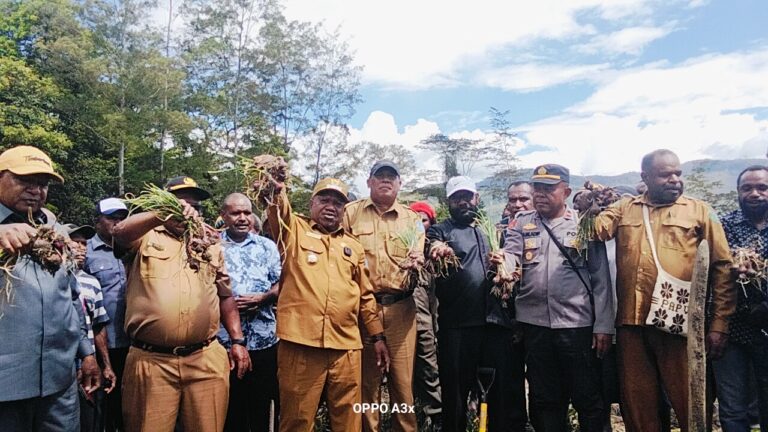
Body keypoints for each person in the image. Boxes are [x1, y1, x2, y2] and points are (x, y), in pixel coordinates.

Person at [592, 149, 735, 432]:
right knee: (637, 405)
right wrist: (593, 205)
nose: (674, 180)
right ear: (645, 177)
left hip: (680, 325)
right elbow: (596, 232)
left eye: (678, 174)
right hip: (632, 325)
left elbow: (722, 267)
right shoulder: (625, 208)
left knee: (691, 401)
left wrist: (719, 323)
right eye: (665, 174)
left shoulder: (700, 211)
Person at [112, 175, 251, 432]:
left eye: (195, 207)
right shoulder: (145, 237)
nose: (189, 211)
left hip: (205, 358)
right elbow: (119, 234)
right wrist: (159, 216)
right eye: (180, 203)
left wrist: (237, 340)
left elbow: (225, 295)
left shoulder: (209, 244)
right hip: (152, 361)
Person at [259, 172, 390, 432]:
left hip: (346, 347)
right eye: (324, 200)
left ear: (344, 209)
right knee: (297, 419)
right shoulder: (293, 231)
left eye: (338, 203)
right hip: (301, 345)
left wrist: (377, 337)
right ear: (312, 204)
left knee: (349, 420)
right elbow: (278, 210)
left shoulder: (353, 246)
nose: (331, 207)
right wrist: (274, 190)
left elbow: (365, 296)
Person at [504, 164, 613, 432]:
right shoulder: (522, 223)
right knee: (544, 399)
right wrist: (501, 264)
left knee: (587, 397)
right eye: (537, 188)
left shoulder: (583, 223)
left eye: (548, 188)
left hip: (576, 325)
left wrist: (603, 325)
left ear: (566, 191)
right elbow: (511, 255)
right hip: (535, 325)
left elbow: (600, 278)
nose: (540, 194)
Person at [0, 145, 100, 431]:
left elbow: (72, 297)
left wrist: (87, 353)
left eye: (43, 184)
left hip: (59, 383)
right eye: (25, 180)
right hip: (6, 387)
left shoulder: (55, 230)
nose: (36, 190)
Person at [428, 176, 527, 432]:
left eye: (467, 196)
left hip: (495, 324)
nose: (463, 202)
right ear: (448, 202)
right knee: (456, 393)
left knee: (499, 394)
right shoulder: (440, 231)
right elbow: (432, 248)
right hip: (458, 326)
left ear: (477, 199)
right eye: (456, 198)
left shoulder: (491, 231)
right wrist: (438, 248)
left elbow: (513, 269)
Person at [344, 161, 425, 432]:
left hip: (402, 310)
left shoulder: (411, 219)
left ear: (400, 184)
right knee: (368, 386)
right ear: (369, 182)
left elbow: (419, 257)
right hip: (363, 311)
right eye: (380, 176)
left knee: (403, 385)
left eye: (392, 177)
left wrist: (419, 260)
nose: (386, 181)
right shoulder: (351, 214)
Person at [217, 193, 282, 432]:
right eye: (235, 213)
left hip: (264, 340)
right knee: (230, 408)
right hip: (223, 342)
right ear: (223, 215)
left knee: (261, 406)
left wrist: (264, 298)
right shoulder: (212, 245)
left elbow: (281, 283)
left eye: (246, 212)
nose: (242, 218)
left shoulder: (267, 246)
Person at [714, 165, 768, 431]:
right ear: (738, 192)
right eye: (747, 188)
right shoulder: (723, 226)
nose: (755, 193)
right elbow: (713, 274)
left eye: (762, 188)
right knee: (733, 408)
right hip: (732, 330)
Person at [84, 197, 130, 432]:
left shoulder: (135, 248)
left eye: (123, 218)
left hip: (134, 343)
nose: (118, 223)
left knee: (131, 406)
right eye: (112, 218)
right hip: (103, 344)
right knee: (103, 408)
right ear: (97, 221)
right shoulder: (85, 252)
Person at [67, 224, 116, 432]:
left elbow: (98, 327)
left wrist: (106, 365)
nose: (81, 248)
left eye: (84, 243)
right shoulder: (50, 277)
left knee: (91, 421)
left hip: (90, 365)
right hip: (65, 365)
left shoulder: (92, 283)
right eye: (75, 242)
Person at [409, 201, 442, 427]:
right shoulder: (402, 247)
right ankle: (408, 413)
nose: (420, 224)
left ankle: (436, 414)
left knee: (429, 366)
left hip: (427, 320)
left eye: (424, 219)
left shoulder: (436, 251)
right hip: (401, 317)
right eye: (415, 220)